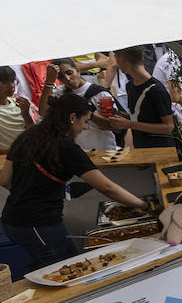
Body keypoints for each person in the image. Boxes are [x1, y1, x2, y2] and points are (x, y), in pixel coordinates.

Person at [0, 92, 148, 267]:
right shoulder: (66, 147)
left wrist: (26, 193)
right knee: (65, 268)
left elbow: (5, 179)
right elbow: (107, 187)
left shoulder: (27, 136)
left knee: (50, 264)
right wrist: (144, 205)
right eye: (85, 121)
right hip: (37, 222)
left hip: (11, 219)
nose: (85, 127)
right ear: (72, 118)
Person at [105, 45, 175, 148]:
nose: (116, 62)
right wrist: (118, 114)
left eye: (116, 57)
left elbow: (169, 127)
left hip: (161, 150)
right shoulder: (130, 86)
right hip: (141, 148)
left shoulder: (156, 89)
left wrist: (129, 124)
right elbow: (141, 118)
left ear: (122, 59)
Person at [0, 65, 35, 151]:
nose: (11, 85)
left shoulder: (21, 104)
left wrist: (26, 115)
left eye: (12, 81)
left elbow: (33, 135)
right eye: (4, 82)